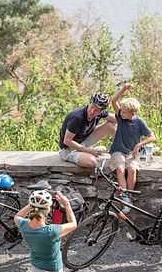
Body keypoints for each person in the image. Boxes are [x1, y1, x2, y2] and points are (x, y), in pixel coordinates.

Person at [15, 190, 77, 272]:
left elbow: (18, 216)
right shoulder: (51, 231)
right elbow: (73, 224)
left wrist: (33, 204)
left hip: (36, 268)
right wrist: (66, 204)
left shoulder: (23, 226)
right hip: (52, 271)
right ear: (47, 210)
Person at [107, 83, 155, 213]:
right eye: (121, 111)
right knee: (121, 169)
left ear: (132, 113)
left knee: (132, 169)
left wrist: (139, 145)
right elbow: (113, 101)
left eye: (124, 112)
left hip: (131, 152)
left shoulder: (139, 122)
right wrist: (123, 89)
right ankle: (124, 197)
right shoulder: (121, 118)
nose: (120, 113)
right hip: (118, 150)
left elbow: (152, 137)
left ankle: (129, 194)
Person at [58, 92, 117, 168]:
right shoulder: (77, 117)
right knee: (92, 162)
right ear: (90, 103)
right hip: (68, 150)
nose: (92, 111)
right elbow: (67, 141)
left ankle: (126, 150)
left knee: (110, 126)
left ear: (101, 111)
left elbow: (118, 120)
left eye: (96, 110)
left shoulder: (100, 113)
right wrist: (88, 151)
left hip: (84, 140)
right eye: (92, 107)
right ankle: (89, 153)